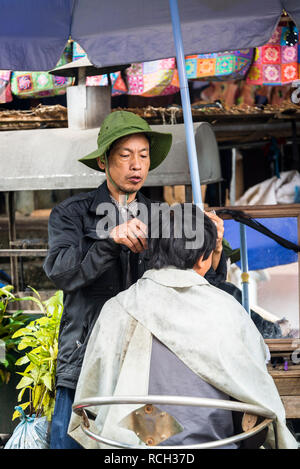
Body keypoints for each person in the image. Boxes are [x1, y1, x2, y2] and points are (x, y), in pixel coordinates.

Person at [43, 111, 227, 449]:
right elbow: (61, 272)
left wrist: (212, 248)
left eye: (143, 156)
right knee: (74, 441)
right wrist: (109, 240)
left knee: (138, 450)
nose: (136, 165)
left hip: (145, 368)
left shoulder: (162, 218)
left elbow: (196, 281)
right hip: (84, 362)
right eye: (126, 155)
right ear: (103, 161)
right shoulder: (71, 214)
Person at [68, 205, 297, 449]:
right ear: (203, 258)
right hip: (216, 444)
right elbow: (256, 385)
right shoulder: (227, 309)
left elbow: (89, 403)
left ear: (150, 250)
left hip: (135, 447)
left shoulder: (117, 308)